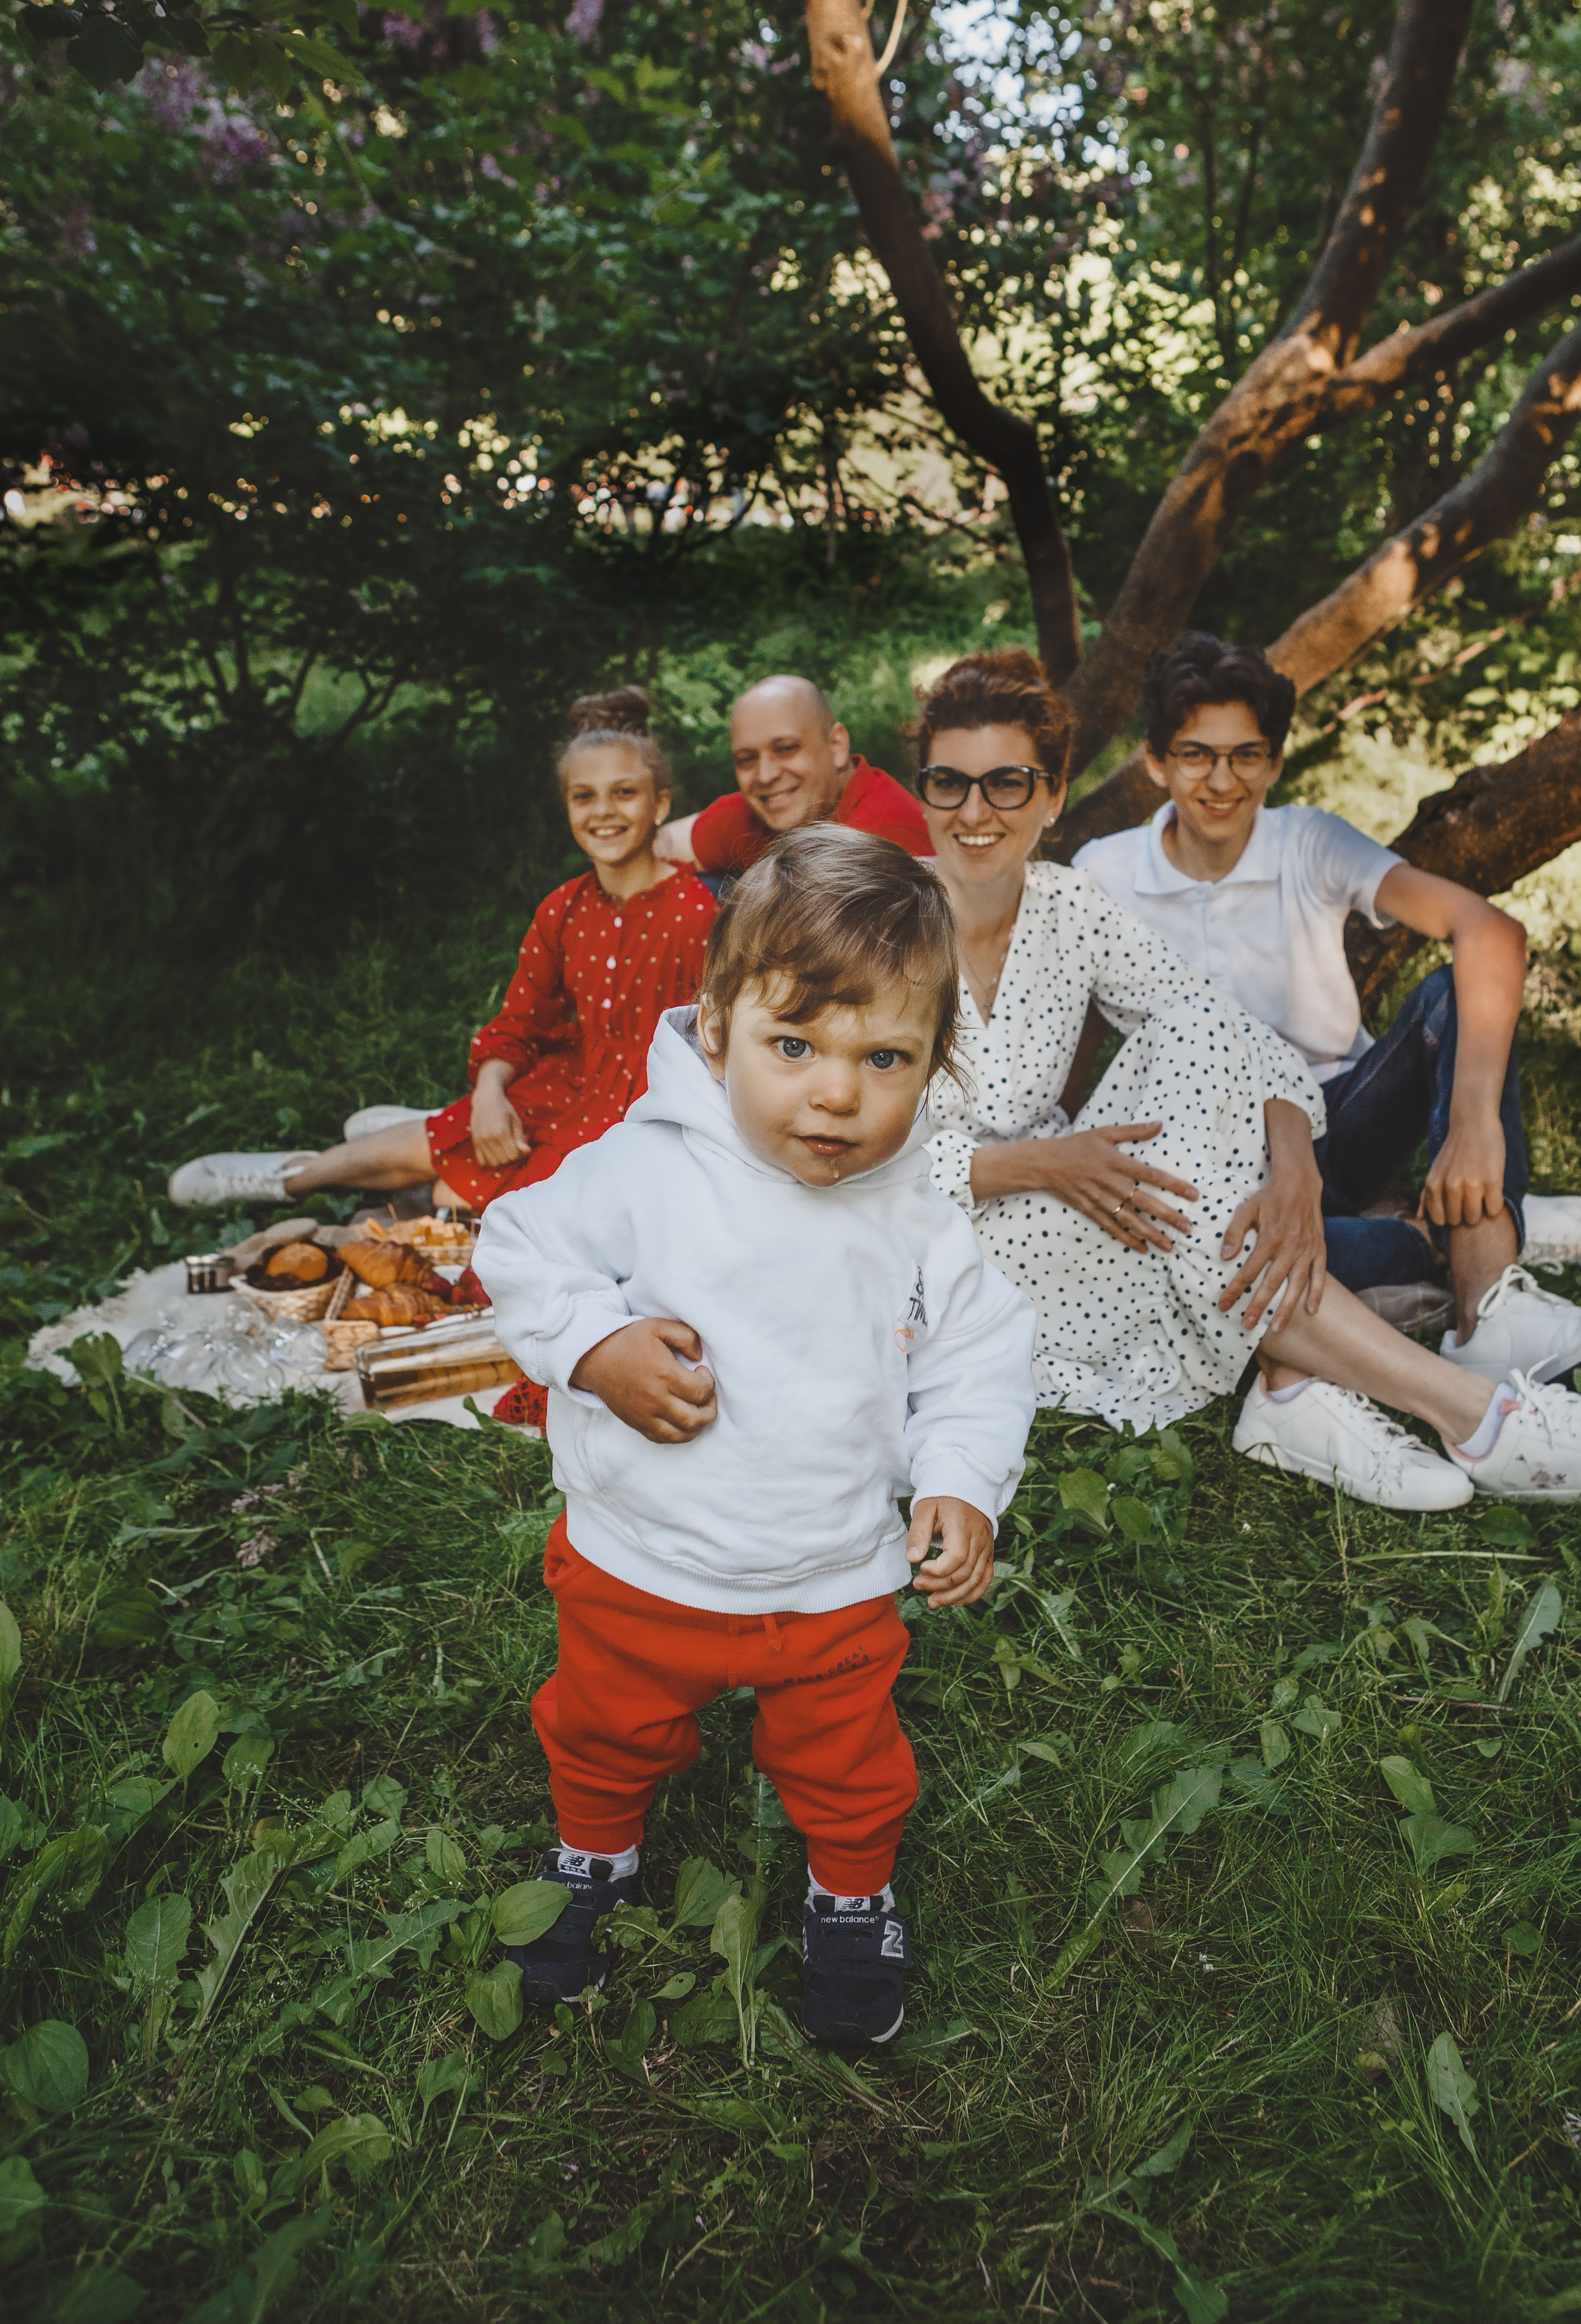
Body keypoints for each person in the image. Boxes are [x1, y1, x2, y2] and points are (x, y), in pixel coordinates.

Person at [912, 648, 1581, 1510]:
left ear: (1051, 795)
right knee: (1208, 1217)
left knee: (1190, 1036)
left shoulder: (1067, 902)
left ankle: (1308, 1382)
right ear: (920, 790)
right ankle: (1480, 1418)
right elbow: (823, 1156)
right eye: (947, 784)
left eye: (1006, 784)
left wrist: (1294, 1169)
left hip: (1105, 1200)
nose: (974, 812)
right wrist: (1040, 1164)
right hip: (946, 1243)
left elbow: (1218, 1026)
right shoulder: (879, 922)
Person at [474, 827, 1036, 2050]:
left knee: (847, 1757)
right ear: (719, 1028)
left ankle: (850, 1894)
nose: (836, 1091)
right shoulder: (646, 1167)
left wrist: (960, 1477)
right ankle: (593, 1856)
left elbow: (979, 1353)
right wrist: (593, 1348)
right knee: (605, 1724)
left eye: (883, 1057)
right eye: (795, 1045)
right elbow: (518, 1249)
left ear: (935, 1066)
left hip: (829, 1577)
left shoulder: (918, 1216)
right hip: (641, 1558)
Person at [1073, 632, 1581, 1385]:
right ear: (1156, 761)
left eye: (1246, 755)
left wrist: (1472, 1126)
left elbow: (1487, 930)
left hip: (1342, 1123)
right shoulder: (1102, 874)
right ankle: (1432, 1243)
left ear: (1275, 762)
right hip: (1211, 1166)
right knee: (1224, 1264)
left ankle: (1489, 1307)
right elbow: (1075, 1042)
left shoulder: (1306, 842)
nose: (1221, 780)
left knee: (1446, 995)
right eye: (1196, 754)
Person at [167, 689, 715, 1215]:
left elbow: (718, 1045)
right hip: (568, 1088)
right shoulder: (563, 909)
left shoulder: (697, 913)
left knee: (494, 1199)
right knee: (456, 1137)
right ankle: (291, 1179)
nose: (604, 812)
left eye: (625, 793)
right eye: (583, 796)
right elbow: (521, 1021)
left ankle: (426, 1172)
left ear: (660, 803)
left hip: (642, 1116)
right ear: (566, 806)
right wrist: (489, 1093)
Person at [657, 672, 930, 877]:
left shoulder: (884, 837)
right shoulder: (765, 813)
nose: (765, 776)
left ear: (836, 746)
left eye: (786, 749)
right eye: (746, 760)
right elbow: (653, 846)